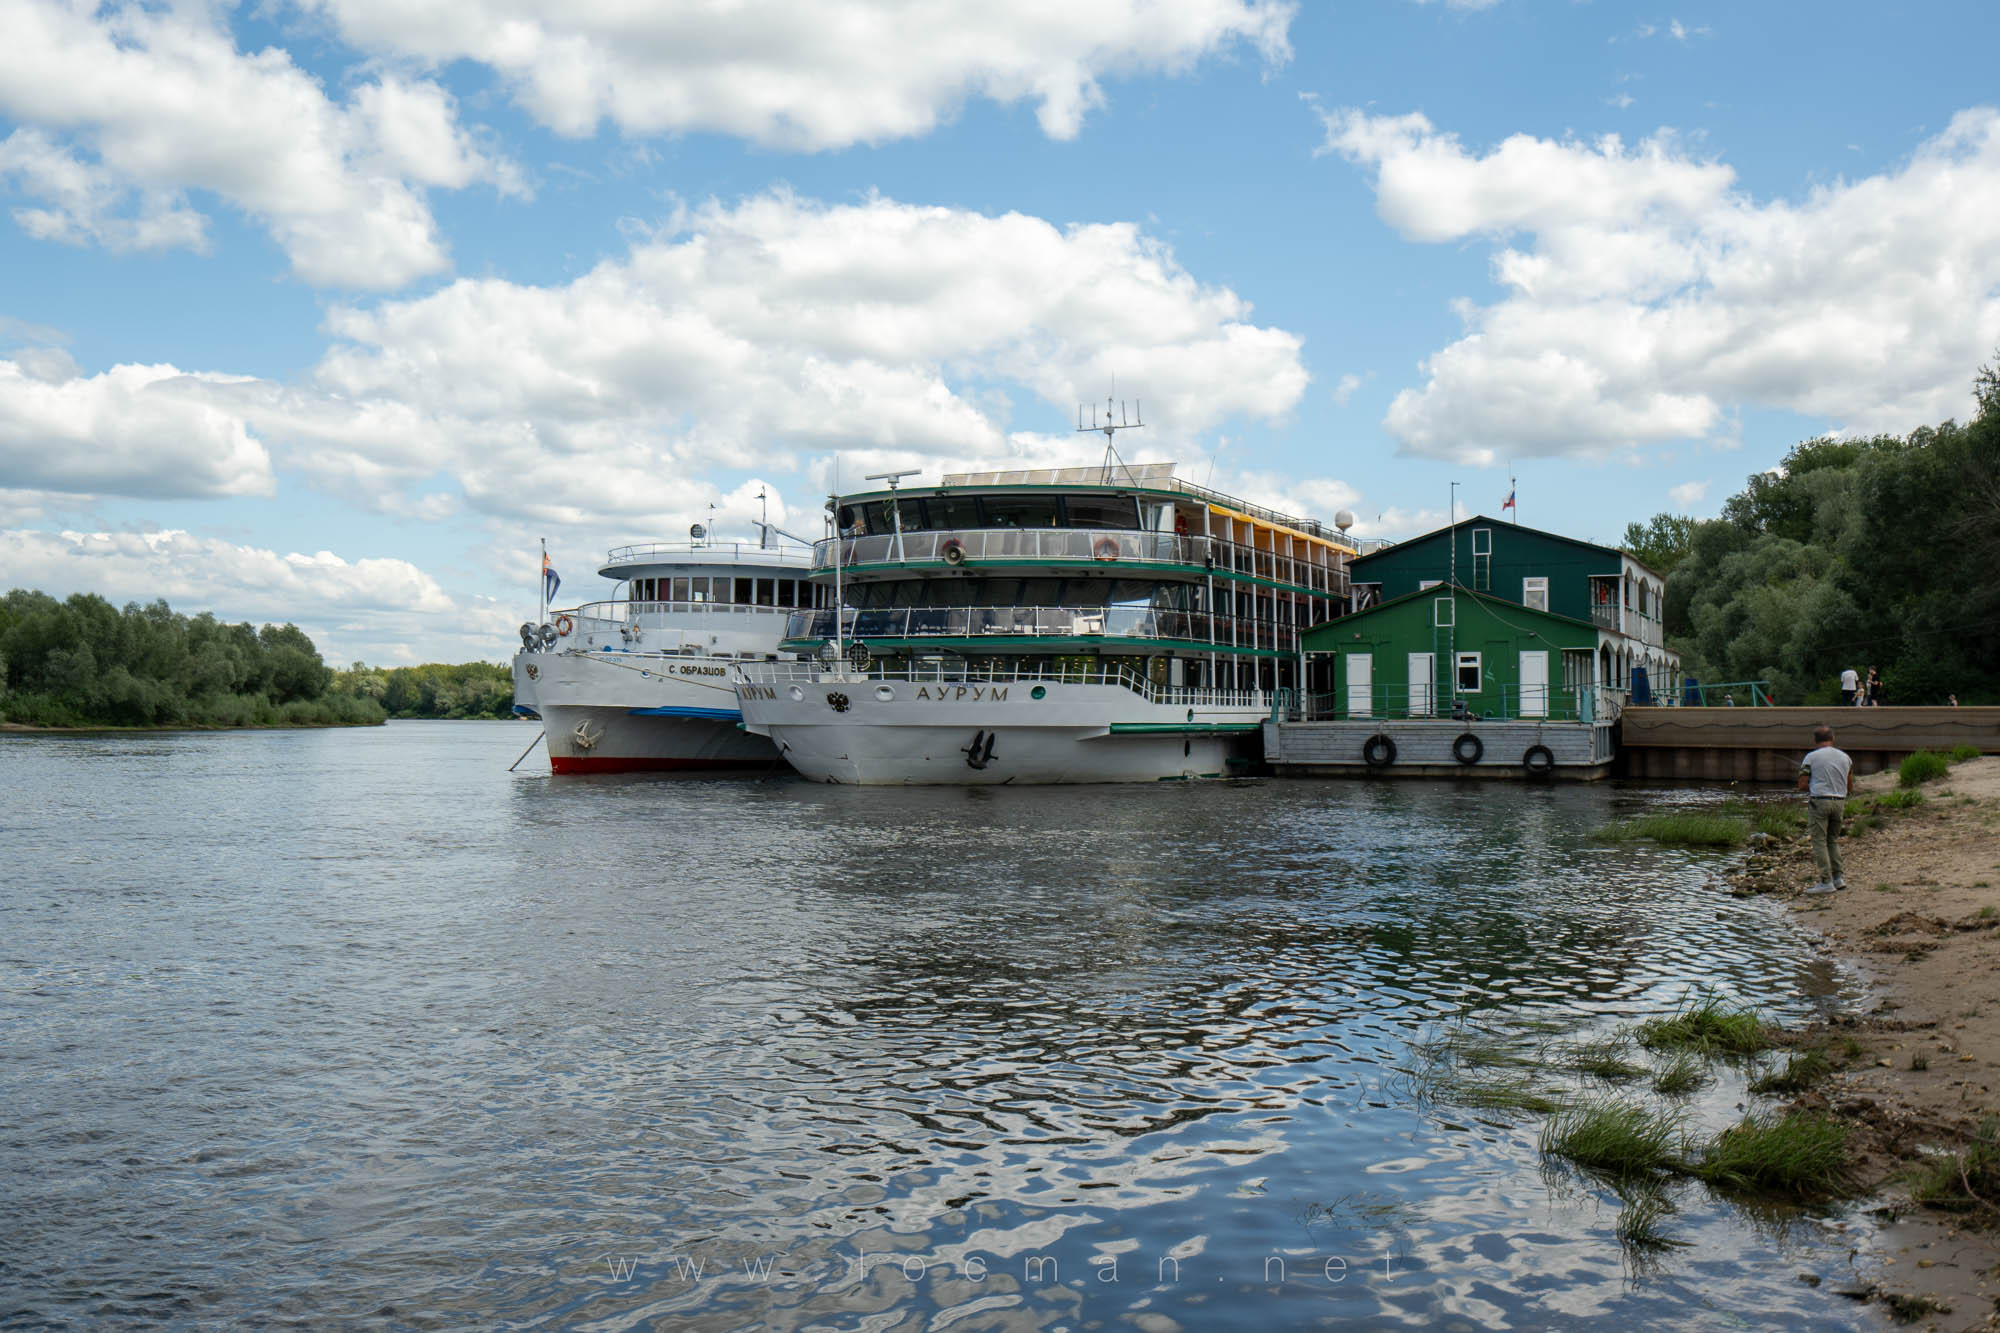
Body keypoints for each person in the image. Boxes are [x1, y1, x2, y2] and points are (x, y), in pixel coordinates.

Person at [1799, 725, 1853, 894]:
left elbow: (1802, 785)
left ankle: (1825, 881)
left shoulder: (1811, 757)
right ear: (1833, 738)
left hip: (1820, 802)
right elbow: (1849, 785)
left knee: (1819, 841)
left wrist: (1815, 786)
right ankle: (1838, 878)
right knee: (1832, 840)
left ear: (1815, 740)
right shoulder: (1846, 758)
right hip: (1839, 802)